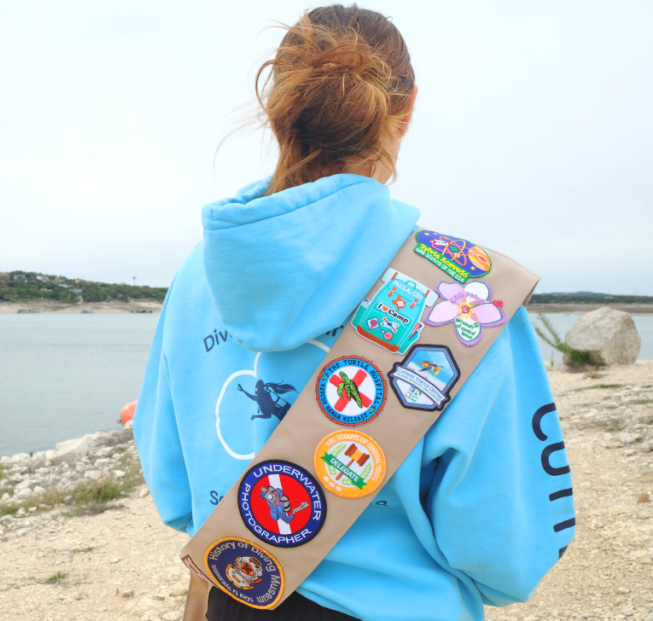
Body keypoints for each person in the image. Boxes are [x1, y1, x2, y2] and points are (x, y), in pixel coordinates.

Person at [133, 5, 575, 621]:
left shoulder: (195, 273)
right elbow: (503, 541)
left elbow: (175, 484)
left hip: (240, 591)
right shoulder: (464, 295)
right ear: (408, 108)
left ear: (276, 106)